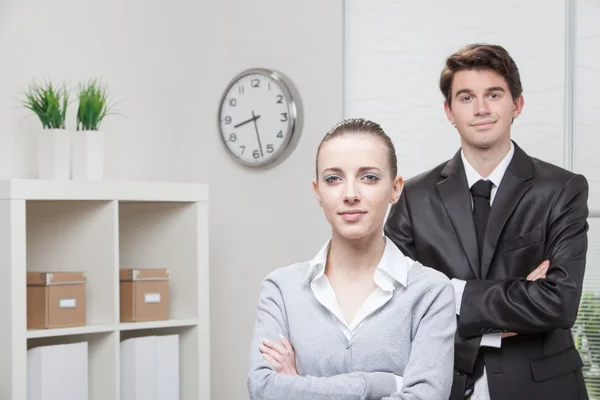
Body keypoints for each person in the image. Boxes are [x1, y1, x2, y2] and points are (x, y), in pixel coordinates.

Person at [384, 43, 590, 400]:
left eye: (493, 94)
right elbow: (394, 310)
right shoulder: (413, 198)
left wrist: (451, 293)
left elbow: (559, 303)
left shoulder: (562, 189)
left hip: (542, 389)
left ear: (517, 105)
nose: (481, 109)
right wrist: (518, 301)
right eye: (466, 98)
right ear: (449, 111)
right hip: (442, 386)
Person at [246, 118, 457, 400]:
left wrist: (299, 385)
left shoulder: (431, 292)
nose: (350, 195)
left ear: (396, 188)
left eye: (369, 177)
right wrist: (383, 384)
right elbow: (263, 390)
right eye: (333, 179)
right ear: (317, 191)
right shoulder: (280, 289)